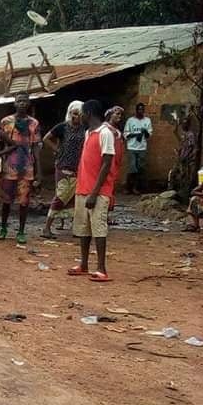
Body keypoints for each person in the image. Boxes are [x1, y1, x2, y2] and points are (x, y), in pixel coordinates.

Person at [68, 100, 117, 282]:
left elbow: (106, 163)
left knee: (98, 229)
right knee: (83, 228)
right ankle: (84, 264)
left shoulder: (105, 133)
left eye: (81, 113)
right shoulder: (88, 133)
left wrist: (95, 192)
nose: (79, 116)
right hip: (83, 187)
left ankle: (102, 268)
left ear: (88, 113)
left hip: (98, 191)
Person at [0, 91, 41, 244]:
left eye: (25, 101)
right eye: (19, 101)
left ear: (28, 103)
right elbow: (0, 144)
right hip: (9, 166)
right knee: (6, 200)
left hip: (27, 167)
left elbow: (35, 147)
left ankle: (21, 231)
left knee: (24, 201)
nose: (22, 103)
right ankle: (3, 228)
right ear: (14, 103)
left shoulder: (33, 123)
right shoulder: (6, 122)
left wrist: (38, 171)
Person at [42, 101, 86, 239]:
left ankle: (76, 228)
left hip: (78, 167)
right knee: (60, 196)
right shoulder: (63, 127)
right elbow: (46, 139)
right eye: (74, 114)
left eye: (79, 114)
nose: (76, 117)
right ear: (70, 113)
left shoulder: (84, 129)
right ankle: (46, 228)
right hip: (63, 166)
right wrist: (58, 149)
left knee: (74, 198)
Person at [123, 103, 152, 194]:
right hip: (132, 147)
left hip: (142, 147)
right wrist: (136, 135)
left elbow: (148, 135)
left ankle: (136, 188)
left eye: (142, 110)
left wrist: (145, 132)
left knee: (140, 168)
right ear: (136, 110)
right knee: (132, 168)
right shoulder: (130, 121)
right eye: (139, 109)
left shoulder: (147, 120)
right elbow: (126, 134)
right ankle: (128, 187)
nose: (140, 111)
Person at [169, 115, 197, 199]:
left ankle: (182, 195)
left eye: (185, 123)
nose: (184, 125)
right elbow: (175, 133)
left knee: (183, 176)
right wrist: (177, 124)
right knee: (173, 173)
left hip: (186, 159)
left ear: (188, 125)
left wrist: (189, 157)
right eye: (183, 123)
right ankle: (172, 191)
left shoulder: (190, 134)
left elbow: (192, 148)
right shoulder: (183, 134)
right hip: (180, 158)